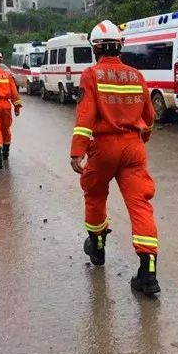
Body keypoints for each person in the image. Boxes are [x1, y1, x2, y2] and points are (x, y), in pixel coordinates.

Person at [70, 20, 160, 297]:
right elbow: (150, 118)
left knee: (95, 195)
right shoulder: (136, 76)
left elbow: (86, 117)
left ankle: (97, 247)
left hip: (104, 147)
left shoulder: (91, 75)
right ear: (120, 46)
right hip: (133, 148)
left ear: (95, 48)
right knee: (140, 205)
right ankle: (148, 272)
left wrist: (77, 151)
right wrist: (141, 138)